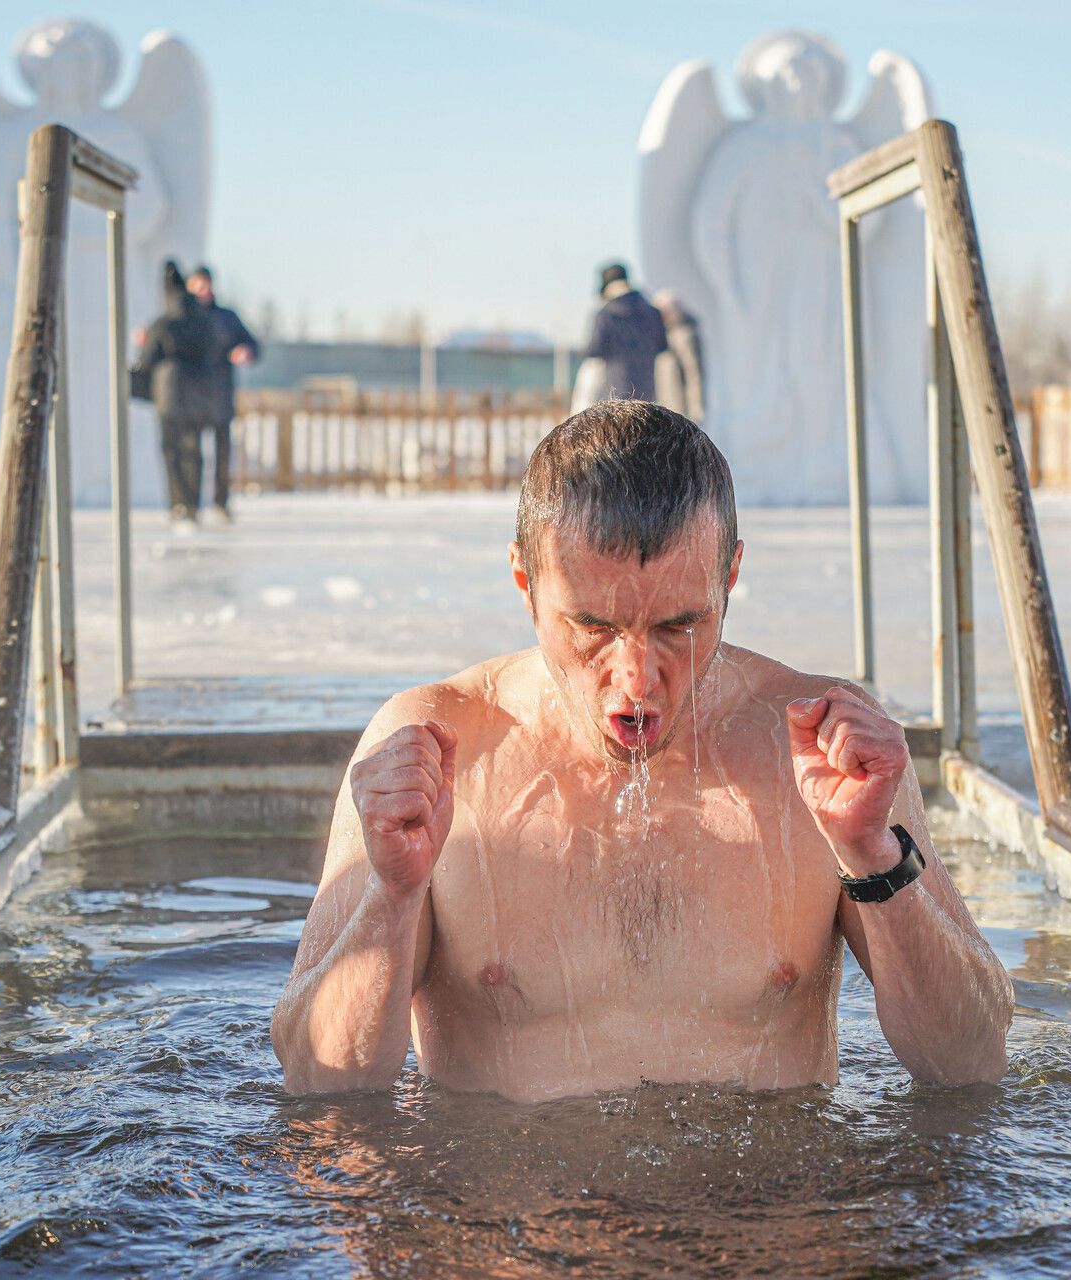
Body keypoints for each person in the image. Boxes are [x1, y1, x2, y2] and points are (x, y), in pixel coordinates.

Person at [272, 400, 1013, 1101]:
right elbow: (319, 1080)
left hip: (771, 1220)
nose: (635, 680)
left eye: (677, 626)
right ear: (527, 585)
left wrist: (875, 858)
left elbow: (970, 1061)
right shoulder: (437, 749)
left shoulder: (819, 752)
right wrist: (392, 895)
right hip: (506, 1218)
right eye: (592, 626)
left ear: (729, 579)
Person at [131, 260, 226, 532]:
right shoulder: (203, 320)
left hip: (170, 394)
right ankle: (192, 505)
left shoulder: (164, 322)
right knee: (193, 450)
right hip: (199, 392)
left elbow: (148, 359)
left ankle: (179, 504)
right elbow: (214, 351)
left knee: (172, 450)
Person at [186, 265, 261, 523]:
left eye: (206, 284)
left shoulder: (226, 317)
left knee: (222, 452)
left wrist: (246, 351)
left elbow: (253, 344)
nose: (203, 290)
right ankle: (190, 504)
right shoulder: (185, 318)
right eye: (197, 284)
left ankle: (220, 502)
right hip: (193, 395)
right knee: (192, 453)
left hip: (220, 393)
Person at [582, 263, 669, 401]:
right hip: (647, 391)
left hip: (615, 389)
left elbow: (594, 349)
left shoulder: (606, 314)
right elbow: (662, 345)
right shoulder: (653, 312)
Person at [653, 290, 707, 423]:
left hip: (680, 406)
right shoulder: (664, 335)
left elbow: (693, 372)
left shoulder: (685, 335)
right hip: (666, 403)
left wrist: (696, 407)